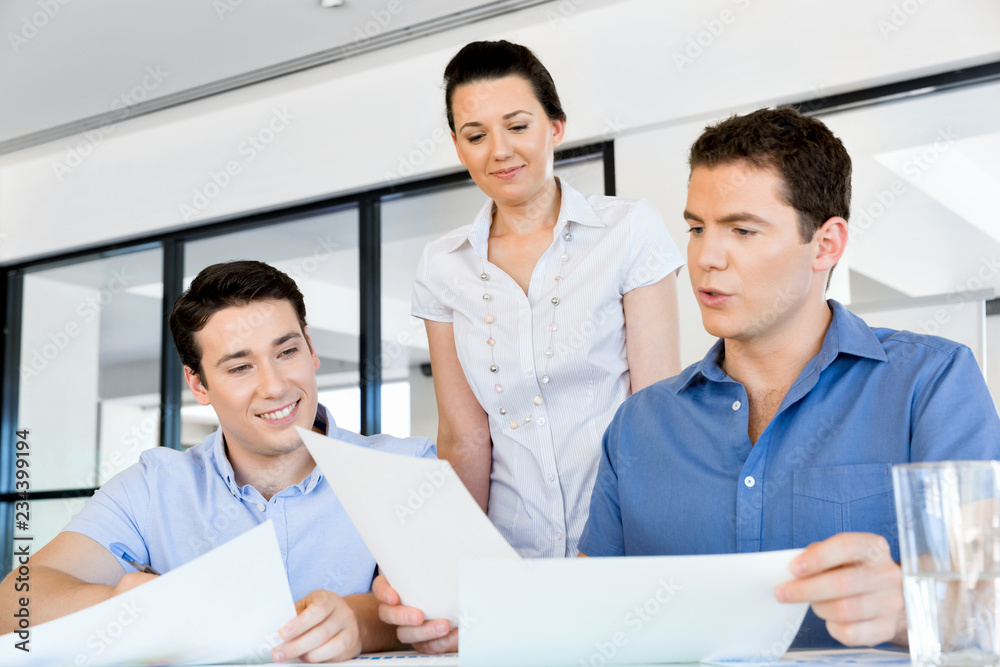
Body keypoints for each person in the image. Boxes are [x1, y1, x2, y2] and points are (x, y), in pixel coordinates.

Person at [576, 107, 1000, 648]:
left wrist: (907, 612)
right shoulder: (640, 423)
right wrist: (468, 628)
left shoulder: (932, 382)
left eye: (743, 230)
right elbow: (585, 615)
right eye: (697, 228)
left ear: (826, 244)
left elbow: (988, 602)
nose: (706, 257)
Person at [0, 260, 435, 663]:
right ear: (198, 384)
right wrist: (119, 608)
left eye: (286, 352)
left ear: (311, 349)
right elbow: (15, 602)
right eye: (240, 367)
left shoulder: (408, 466)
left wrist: (358, 621)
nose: (275, 386)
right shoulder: (153, 487)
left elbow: (451, 601)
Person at [410, 39, 684, 560]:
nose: (499, 150)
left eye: (517, 126)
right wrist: (451, 566)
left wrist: (609, 545)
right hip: (510, 555)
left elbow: (654, 417)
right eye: (476, 135)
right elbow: (465, 440)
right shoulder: (442, 267)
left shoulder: (627, 230)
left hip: (621, 544)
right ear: (457, 146)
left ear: (555, 126)